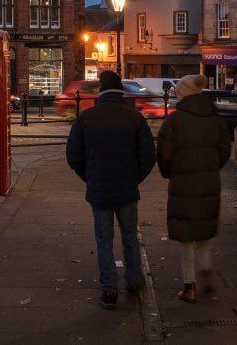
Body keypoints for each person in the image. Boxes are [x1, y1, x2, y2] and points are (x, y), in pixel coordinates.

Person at [66, 70, 156, 310]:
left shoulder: (86, 118)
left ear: (101, 91)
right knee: (130, 238)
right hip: (127, 189)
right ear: (121, 91)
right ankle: (135, 282)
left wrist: (91, 177)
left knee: (104, 241)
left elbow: (73, 155)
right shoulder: (135, 118)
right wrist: (134, 178)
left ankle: (109, 291)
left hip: (99, 189)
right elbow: (148, 156)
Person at [156, 73, 232, 303]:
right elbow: (224, 151)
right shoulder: (215, 118)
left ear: (183, 94)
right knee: (204, 233)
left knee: (186, 238)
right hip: (209, 182)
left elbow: (164, 155)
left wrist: (170, 173)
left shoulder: (174, 120)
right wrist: (211, 168)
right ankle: (206, 271)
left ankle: (189, 287)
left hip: (183, 183)